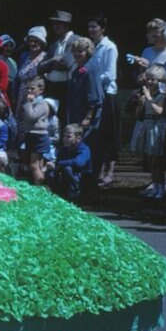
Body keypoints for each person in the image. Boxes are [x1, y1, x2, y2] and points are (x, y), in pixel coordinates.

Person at [87, 14, 119, 187]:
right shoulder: (91, 46)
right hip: (94, 94)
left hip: (107, 94)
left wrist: (92, 81)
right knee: (96, 134)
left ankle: (110, 171)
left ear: (102, 28)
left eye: (95, 26)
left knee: (108, 134)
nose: (92, 30)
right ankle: (97, 169)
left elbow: (110, 74)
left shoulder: (109, 47)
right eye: (90, 26)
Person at [129, 65, 166, 198]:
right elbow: (139, 114)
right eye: (149, 79)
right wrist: (141, 103)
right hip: (146, 125)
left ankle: (161, 188)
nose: (150, 82)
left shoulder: (162, 95)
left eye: (154, 80)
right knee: (151, 160)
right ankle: (155, 186)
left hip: (156, 127)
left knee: (157, 161)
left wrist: (149, 99)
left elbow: (159, 111)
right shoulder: (146, 94)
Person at [39, 10, 77, 104]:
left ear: (67, 26)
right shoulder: (55, 44)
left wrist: (48, 66)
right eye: (54, 23)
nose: (55, 26)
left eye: (59, 23)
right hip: (51, 87)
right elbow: (40, 68)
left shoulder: (74, 40)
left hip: (66, 88)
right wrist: (54, 59)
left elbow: (66, 64)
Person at [18, 77, 51, 185]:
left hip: (39, 136)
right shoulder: (33, 103)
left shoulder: (42, 104)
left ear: (40, 90)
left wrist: (28, 103)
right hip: (31, 134)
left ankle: (39, 189)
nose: (29, 91)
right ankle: (41, 184)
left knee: (34, 165)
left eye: (32, 88)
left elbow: (31, 117)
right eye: (27, 88)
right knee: (37, 164)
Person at [48, 124, 92, 202]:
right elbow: (58, 163)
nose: (65, 139)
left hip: (82, 178)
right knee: (51, 171)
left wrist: (60, 164)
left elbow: (78, 163)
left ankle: (75, 194)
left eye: (68, 137)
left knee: (67, 168)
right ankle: (57, 192)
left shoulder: (84, 149)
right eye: (64, 136)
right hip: (65, 175)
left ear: (78, 138)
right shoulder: (63, 149)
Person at [16, 26, 48, 105]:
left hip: (36, 98)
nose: (33, 43)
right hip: (21, 96)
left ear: (41, 43)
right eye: (31, 41)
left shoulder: (46, 57)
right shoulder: (24, 56)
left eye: (36, 41)